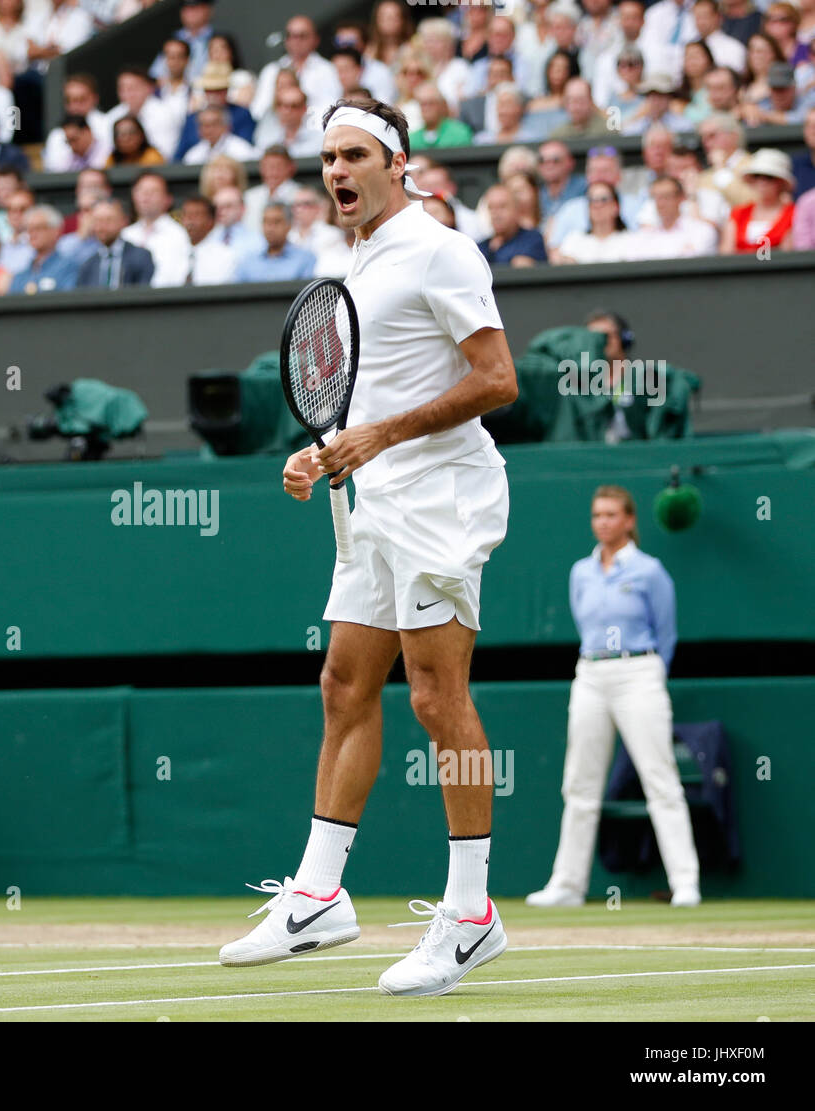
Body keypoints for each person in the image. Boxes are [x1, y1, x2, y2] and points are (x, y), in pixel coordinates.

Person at [222, 98, 518, 997]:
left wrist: (379, 435)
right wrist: (325, 449)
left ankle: (472, 914)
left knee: (436, 697)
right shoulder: (350, 262)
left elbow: (498, 379)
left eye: (354, 155)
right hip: (374, 503)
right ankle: (318, 894)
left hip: (442, 502)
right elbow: (369, 391)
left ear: (397, 162)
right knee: (344, 685)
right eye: (326, 160)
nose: (337, 172)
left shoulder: (440, 248)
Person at [527, 487, 701, 908]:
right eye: (596, 515)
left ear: (628, 520)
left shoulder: (650, 571)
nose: (602, 521)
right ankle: (567, 885)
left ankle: (685, 884)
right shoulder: (580, 572)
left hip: (639, 671)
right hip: (590, 673)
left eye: (611, 514)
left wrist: (650, 670)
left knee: (660, 780)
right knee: (579, 784)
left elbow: (667, 633)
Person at [722, 147, 797, 251]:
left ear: (781, 182)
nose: (762, 182)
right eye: (757, 176)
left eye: (769, 177)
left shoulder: (794, 214)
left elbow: (788, 252)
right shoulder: (738, 213)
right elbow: (727, 253)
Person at [76, 198, 155, 288]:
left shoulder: (140, 257)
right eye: (97, 221)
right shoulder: (87, 266)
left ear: (124, 221)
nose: (101, 226)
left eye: (108, 220)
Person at [554, 181, 642, 262]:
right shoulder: (574, 239)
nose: (597, 205)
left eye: (604, 199)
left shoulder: (631, 240)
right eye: (592, 200)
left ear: (616, 207)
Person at [231, 200, 316, 282]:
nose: (270, 228)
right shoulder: (248, 261)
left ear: (289, 225)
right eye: (266, 222)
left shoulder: (305, 259)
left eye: (276, 222)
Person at [9, 205, 79, 294]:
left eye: (38, 228)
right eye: (28, 229)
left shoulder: (69, 267)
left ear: (56, 231)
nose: (32, 233)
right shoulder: (20, 275)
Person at [479, 182, 549, 265]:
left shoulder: (532, 239)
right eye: (491, 208)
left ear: (517, 210)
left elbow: (521, 265)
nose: (495, 214)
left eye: (502, 207)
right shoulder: (481, 247)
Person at [177, 192, 237, 285]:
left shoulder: (225, 256)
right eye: (186, 214)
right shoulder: (170, 252)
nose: (190, 221)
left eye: (196, 215)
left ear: (211, 222)